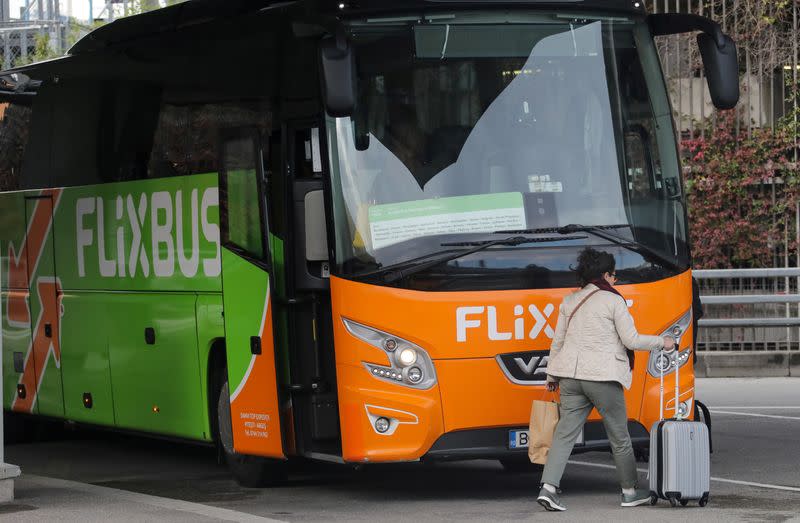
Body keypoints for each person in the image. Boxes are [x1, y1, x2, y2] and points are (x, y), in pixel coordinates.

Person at [536, 247, 676, 512]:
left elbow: (558, 342)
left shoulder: (570, 301)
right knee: (619, 437)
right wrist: (663, 342)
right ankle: (630, 491)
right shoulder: (613, 301)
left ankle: (548, 488)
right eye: (614, 275)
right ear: (605, 275)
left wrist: (552, 375)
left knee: (564, 435)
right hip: (602, 377)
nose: (616, 280)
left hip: (570, 376)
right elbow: (631, 340)